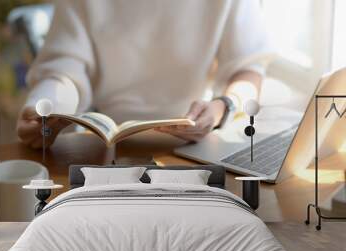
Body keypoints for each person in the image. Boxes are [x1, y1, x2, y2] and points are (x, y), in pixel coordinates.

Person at [17, 0, 273, 149]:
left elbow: (248, 69)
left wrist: (221, 108)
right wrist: (46, 109)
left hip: (194, 142)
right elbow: (64, 70)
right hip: (108, 145)